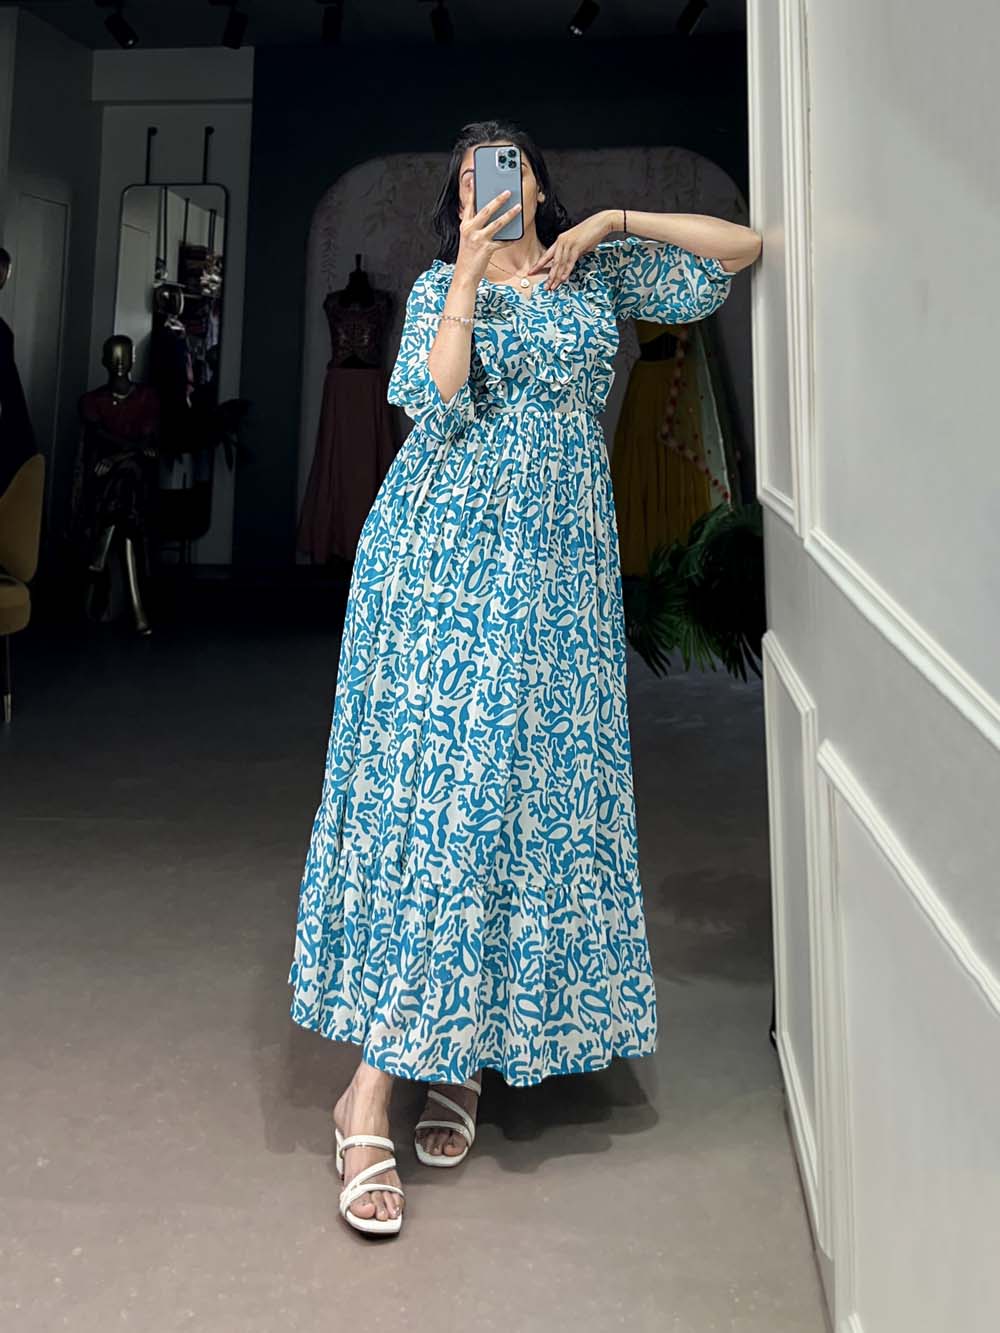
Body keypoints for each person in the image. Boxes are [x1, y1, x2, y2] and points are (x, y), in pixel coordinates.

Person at [286, 119, 762, 1237]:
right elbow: (437, 400)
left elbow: (741, 249)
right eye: (467, 180)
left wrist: (613, 223)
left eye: (504, 169)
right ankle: (368, 1095)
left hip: (559, 578)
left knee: (523, 807)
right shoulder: (434, 286)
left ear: (541, 182)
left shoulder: (596, 271)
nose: (488, 190)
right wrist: (464, 271)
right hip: (443, 568)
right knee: (444, 808)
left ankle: (465, 1050)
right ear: (454, 204)